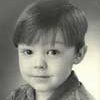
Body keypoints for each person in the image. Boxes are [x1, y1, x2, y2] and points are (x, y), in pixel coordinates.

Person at [7, 0, 95, 100]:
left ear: (79, 54)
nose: (39, 64)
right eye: (28, 52)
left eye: (53, 52)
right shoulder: (17, 96)